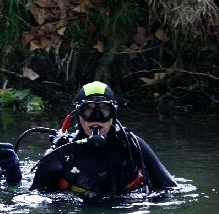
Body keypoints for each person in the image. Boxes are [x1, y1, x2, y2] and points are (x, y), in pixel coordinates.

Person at [30, 81, 176, 196]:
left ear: (113, 115)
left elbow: (170, 189)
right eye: (88, 109)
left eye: (104, 110)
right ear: (79, 115)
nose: (96, 117)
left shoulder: (132, 145)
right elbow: (34, 198)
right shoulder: (62, 153)